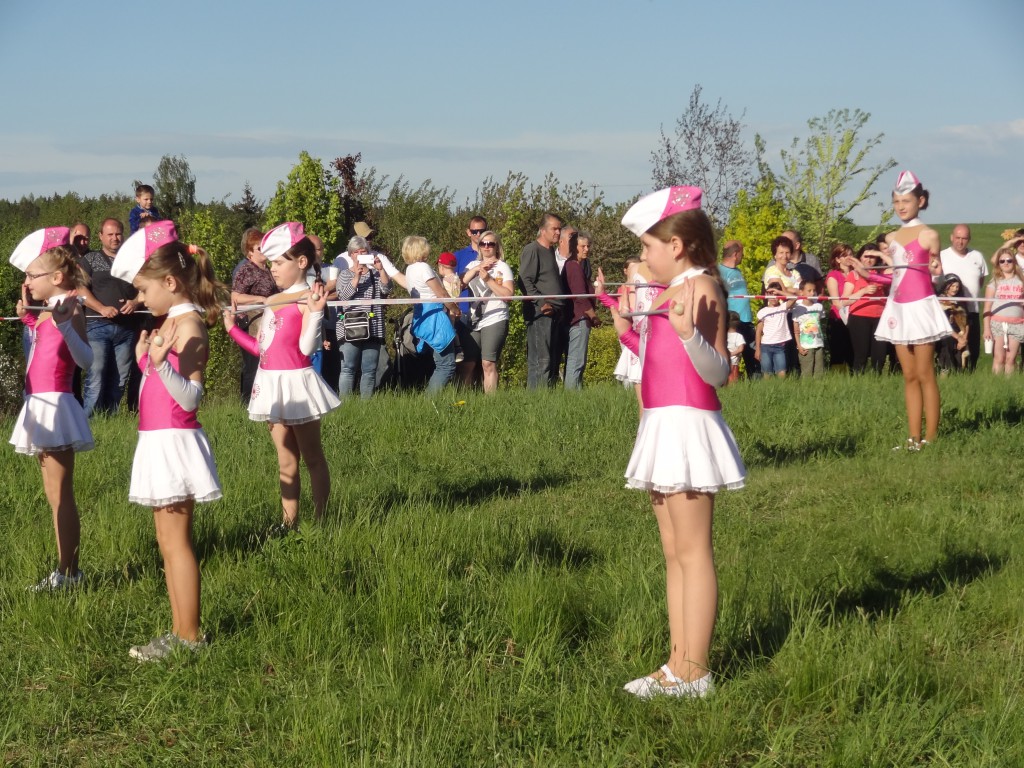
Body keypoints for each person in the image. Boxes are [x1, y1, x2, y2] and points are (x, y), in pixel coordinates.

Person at [595, 185, 745, 700]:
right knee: (673, 551)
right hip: (662, 422)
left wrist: (687, 334)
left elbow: (717, 370)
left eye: (647, 248)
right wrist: (624, 328)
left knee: (693, 551)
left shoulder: (702, 287)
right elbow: (654, 356)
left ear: (676, 246)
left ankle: (696, 673)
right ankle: (677, 663)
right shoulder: (669, 291)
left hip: (687, 424)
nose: (643, 258)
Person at [108, 222, 226, 660]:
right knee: (165, 540)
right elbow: (160, 383)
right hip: (158, 439)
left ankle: (190, 637)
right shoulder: (170, 321)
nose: (140, 298)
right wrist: (146, 361)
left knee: (177, 543)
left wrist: (158, 364)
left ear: (170, 283)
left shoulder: (189, 325)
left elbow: (191, 397)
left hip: (176, 441)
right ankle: (179, 632)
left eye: (143, 289)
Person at [224, 222, 340, 530]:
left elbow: (306, 348)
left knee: (312, 457)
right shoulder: (273, 300)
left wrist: (316, 312)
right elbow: (262, 350)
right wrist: (233, 329)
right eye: (271, 262)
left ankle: (322, 523)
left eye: (278, 262)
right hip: (271, 386)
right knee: (285, 461)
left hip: (297, 385)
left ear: (301, 262)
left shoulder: (308, 298)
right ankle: (288, 524)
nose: (272, 268)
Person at [9, 227, 94, 591]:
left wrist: (63, 325)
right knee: (52, 494)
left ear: (56, 277)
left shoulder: (69, 308)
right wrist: (31, 320)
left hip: (57, 406)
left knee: (61, 495)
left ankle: (70, 572)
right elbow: (41, 353)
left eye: (32, 275)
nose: (27, 282)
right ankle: (65, 570)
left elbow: (86, 360)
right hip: (39, 404)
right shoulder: (47, 311)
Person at [875, 170, 951, 450]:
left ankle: (931, 438)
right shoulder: (892, 237)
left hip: (921, 307)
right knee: (908, 375)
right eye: (896, 202)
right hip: (897, 309)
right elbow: (895, 275)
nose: (901, 206)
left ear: (920, 200)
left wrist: (936, 270)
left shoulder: (929, 235)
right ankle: (912, 438)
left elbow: (937, 275)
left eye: (906, 200)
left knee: (924, 373)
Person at [76, 218, 141, 416]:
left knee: (120, 377)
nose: (115, 238)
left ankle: (109, 418)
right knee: (96, 373)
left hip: (127, 328)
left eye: (118, 234)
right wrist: (101, 308)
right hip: (97, 325)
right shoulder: (89, 259)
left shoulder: (133, 260)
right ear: (101, 236)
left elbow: (148, 287)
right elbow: (80, 288)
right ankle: (88, 420)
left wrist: (135, 302)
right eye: (110, 234)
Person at [397, 236, 462, 393]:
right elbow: (441, 293)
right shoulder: (423, 267)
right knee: (446, 365)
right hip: (434, 317)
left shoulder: (410, 269)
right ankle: (429, 400)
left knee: (437, 363)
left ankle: (429, 398)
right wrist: (455, 309)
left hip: (421, 316)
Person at [335, 243, 392, 399]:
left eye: (363, 251)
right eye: (356, 252)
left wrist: (381, 270)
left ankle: (366, 405)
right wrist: (357, 277)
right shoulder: (344, 274)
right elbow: (343, 296)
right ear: (350, 255)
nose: (360, 254)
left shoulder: (376, 274)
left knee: (370, 369)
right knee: (348, 368)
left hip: (373, 326)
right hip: (349, 327)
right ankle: (346, 404)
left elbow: (387, 289)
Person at [462, 230, 515, 393]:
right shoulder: (472, 265)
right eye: (483, 244)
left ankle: (491, 402)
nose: (486, 247)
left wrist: (488, 279)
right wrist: (476, 269)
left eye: (490, 243)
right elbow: (459, 285)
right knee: (467, 364)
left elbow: (508, 295)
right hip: (473, 320)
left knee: (488, 363)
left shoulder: (503, 267)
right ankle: (463, 400)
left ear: (497, 246)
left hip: (495, 318)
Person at [518, 213, 567, 388]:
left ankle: (546, 398)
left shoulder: (550, 251)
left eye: (559, 229)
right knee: (541, 360)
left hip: (554, 313)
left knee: (551, 360)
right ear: (542, 230)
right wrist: (541, 303)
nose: (558, 232)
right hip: (541, 314)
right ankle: (536, 399)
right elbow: (524, 280)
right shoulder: (533, 249)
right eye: (554, 229)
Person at [230, 227, 276, 404]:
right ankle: (247, 402)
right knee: (252, 365)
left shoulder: (269, 269)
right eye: (259, 248)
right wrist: (260, 299)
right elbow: (235, 297)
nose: (264, 250)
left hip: (267, 322)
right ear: (250, 252)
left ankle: (263, 401)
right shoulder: (246, 270)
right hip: (250, 324)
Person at [939, 225, 987, 370]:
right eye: (957, 238)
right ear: (951, 237)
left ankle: (970, 375)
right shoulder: (942, 256)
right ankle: (948, 372)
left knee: (972, 348)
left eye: (964, 238)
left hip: (971, 310)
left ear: (969, 239)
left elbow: (980, 281)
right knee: (950, 348)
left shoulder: (977, 256)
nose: (960, 242)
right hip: (949, 312)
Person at [845, 244, 892, 374]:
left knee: (880, 355)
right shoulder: (853, 275)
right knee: (861, 354)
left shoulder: (882, 274)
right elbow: (844, 300)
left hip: (880, 317)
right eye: (866, 256)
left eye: (872, 257)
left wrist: (881, 254)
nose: (869, 260)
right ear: (860, 257)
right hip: (859, 317)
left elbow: (897, 270)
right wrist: (863, 291)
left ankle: (876, 380)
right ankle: (857, 379)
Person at [613, 257, 653, 408]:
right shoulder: (632, 279)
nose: (643, 256)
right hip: (638, 335)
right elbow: (626, 311)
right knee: (645, 406)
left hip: (651, 337)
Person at [563, 230, 601, 389]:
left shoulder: (577, 266)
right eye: (582, 246)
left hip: (579, 318)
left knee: (578, 361)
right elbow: (581, 297)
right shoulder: (573, 266)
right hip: (579, 319)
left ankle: (576, 394)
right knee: (576, 361)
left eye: (588, 246)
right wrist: (593, 316)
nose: (586, 249)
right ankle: (571, 396)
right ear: (574, 247)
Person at [718, 239, 758, 378]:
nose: (743, 256)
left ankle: (757, 384)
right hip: (732, 321)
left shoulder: (738, 271)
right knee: (731, 358)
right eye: (742, 253)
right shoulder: (719, 272)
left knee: (753, 357)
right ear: (735, 254)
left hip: (746, 320)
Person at [982, 246, 1024, 374]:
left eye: (1009, 260)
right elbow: (987, 308)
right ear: (998, 264)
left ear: (1014, 262)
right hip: (997, 324)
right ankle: (996, 382)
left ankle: (1008, 383)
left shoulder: (1021, 281)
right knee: (999, 358)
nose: (1006, 263)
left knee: (1011, 359)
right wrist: (987, 329)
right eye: (1002, 261)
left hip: (1017, 324)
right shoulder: (994, 282)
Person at [755, 282, 795, 378]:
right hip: (765, 346)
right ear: (766, 295)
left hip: (780, 346)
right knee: (767, 374)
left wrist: (778, 292)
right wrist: (757, 349)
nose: (774, 298)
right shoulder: (762, 312)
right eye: (771, 295)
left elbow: (794, 298)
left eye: (776, 295)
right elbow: (758, 331)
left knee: (781, 373)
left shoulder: (783, 307)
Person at [825, 243, 854, 371]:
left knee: (853, 353)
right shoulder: (833, 275)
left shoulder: (856, 273)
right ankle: (837, 378)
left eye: (850, 254)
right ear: (837, 259)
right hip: (838, 319)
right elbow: (836, 302)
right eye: (844, 255)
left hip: (855, 318)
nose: (849, 257)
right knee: (838, 353)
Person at [792, 279, 826, 377]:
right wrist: (799, 346)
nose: (812, 293)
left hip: (818, 343)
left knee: (819, 372)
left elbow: (820, 324)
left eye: (814, 290)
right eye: (809, 290)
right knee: (807, 372)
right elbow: (796, 331)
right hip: (805, 345)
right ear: (801, 292)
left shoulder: (819, 307)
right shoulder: (797, 308)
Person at [936, 275, 968, 373]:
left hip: (961, 334)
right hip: (946, 335)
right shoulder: (940, 301)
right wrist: (958, 338)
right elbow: (943, 323)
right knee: (947, 348)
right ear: (946, 286)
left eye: (957, 286)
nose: (955, 289)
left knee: (960, 364)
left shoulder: (961, 302)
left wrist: (964, 338)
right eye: (952, 286)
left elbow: (967, 321)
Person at [726, 313, 745, 384]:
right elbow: (741, 348)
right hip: (733, 362)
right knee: (733, 382)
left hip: (725, 361)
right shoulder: (738, 336)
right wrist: (731, 354)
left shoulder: (723, 335)